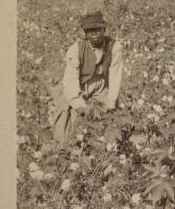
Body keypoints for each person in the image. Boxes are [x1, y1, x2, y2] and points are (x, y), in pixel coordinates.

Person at [49, 11, 124, 145]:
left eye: (97, 30)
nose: (94, 34)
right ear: (85, 33)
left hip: (100, 86)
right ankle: (65, 148)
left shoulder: (114, 47)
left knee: (106, 119)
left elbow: (115, 75)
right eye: (90, 31)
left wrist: (111, 103)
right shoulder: (76, 49)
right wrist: (80, 106)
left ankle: (103, 146)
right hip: (77, 86)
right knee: (66, 123)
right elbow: (70, 81)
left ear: (104, 30)